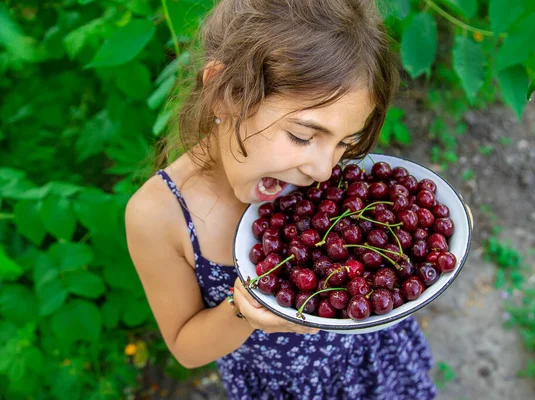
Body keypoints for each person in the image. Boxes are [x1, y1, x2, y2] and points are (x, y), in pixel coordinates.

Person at [125, 0, 437, 398]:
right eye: (303, 137)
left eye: (346, 142)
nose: (324, 170)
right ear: (227, 95)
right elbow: (186, 347)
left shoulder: (324, 179)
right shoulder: (159, 216)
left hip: (371, 359)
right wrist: (242, 313)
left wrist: (442, 237)